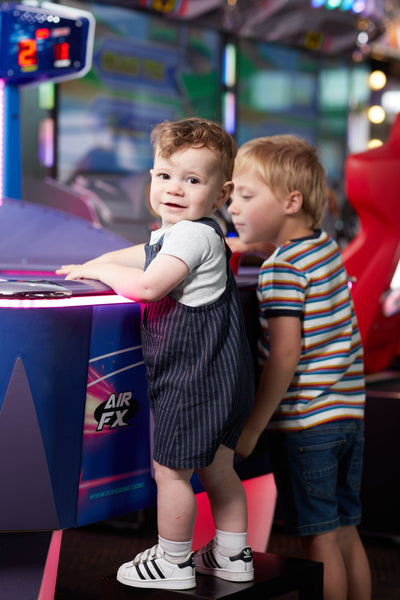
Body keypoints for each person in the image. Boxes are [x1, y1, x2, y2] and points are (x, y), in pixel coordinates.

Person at [57, 117, 255, 590]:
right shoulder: (200, 231)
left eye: (192, 180)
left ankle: (174, 561)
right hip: (226, 378)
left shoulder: (190, 235)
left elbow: (147, 285)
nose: (174, 188)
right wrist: (95, 263)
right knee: (219, 466)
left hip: (195, 380)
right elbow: (144, 252)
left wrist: (102, 277)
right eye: (164, 176)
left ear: (221, 192)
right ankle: (232, 553)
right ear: (150, 178)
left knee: (171, 472)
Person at [228, 134, 371, 600]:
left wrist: (253, 427)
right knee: (346, 529)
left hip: (306, 424)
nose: (233, 207)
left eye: (246, 197)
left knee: (318, 538)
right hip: (346, 414)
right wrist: (240, 243)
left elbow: (285, 355)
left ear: (291, 202)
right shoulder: (322, 247)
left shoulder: (281, 270)